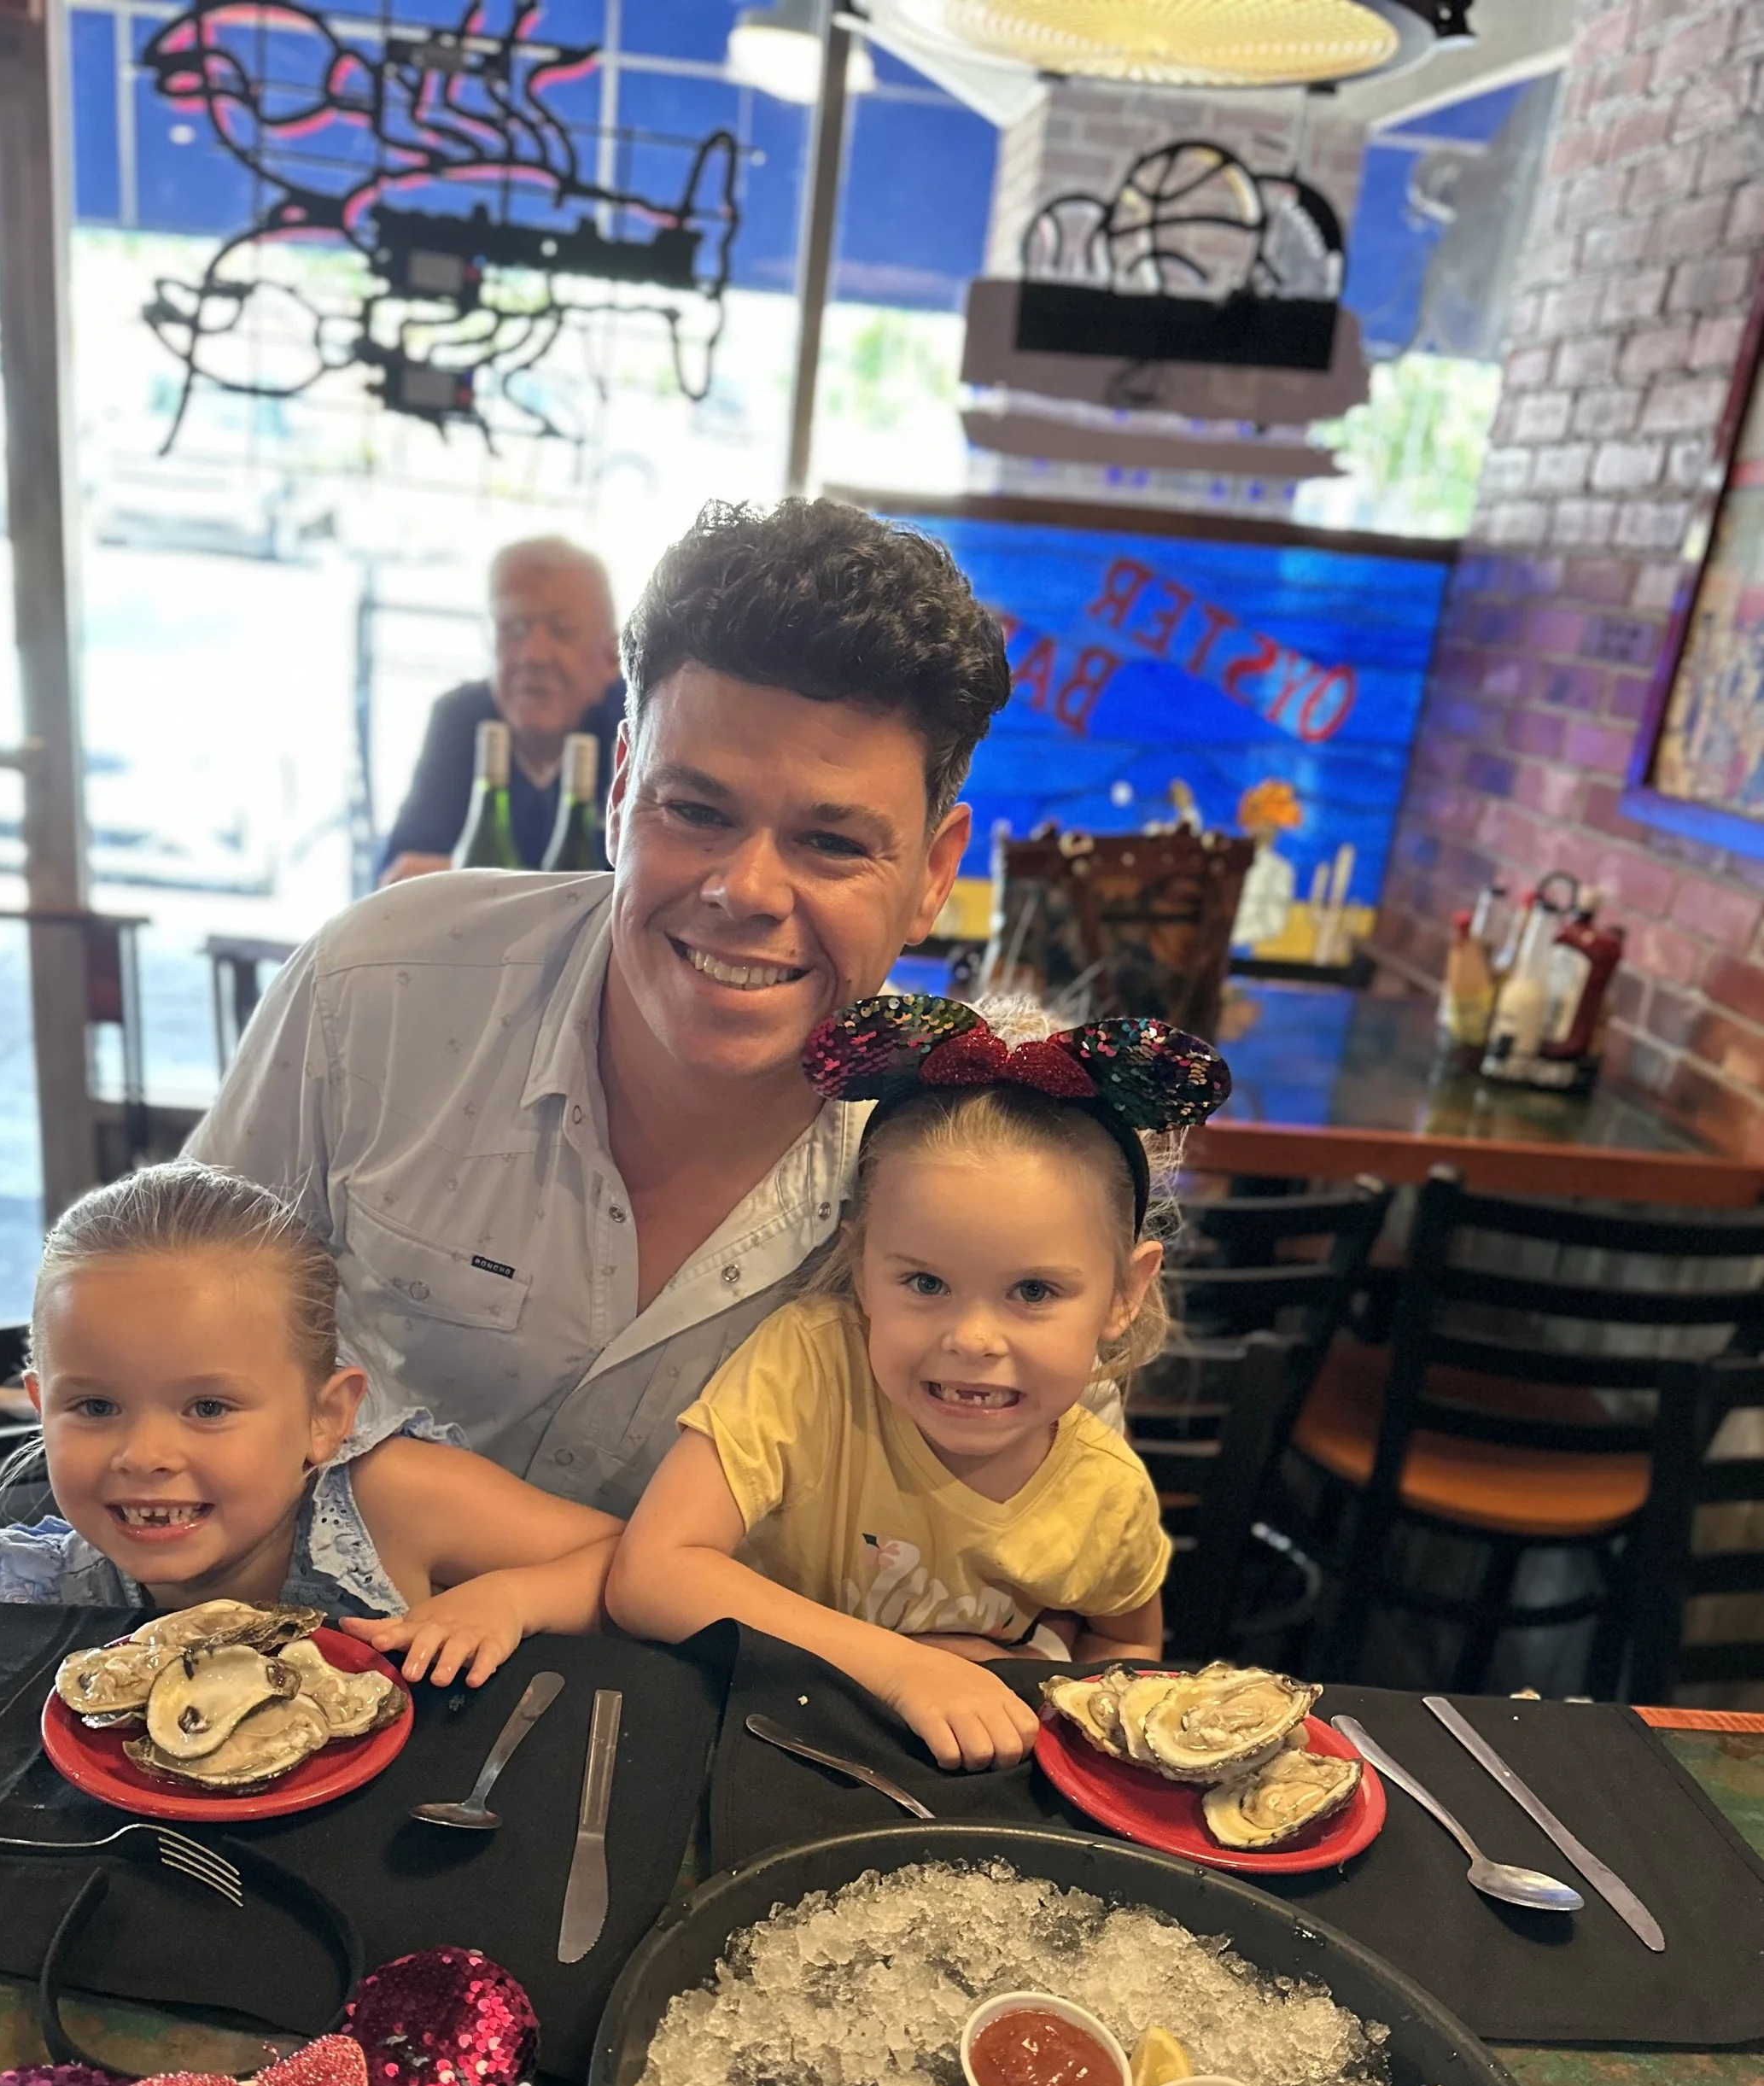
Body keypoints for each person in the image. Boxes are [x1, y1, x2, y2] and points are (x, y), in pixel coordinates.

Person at [191, 496, 1013, 1517]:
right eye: (697, 811)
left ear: (933, 875)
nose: (746, 891)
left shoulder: (995, 1155)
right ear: (621, 789)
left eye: (833, 843)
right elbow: (156, 1338)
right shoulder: (375, 989)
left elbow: (1033, 1542)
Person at [605, 995, 1232, 1769]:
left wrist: (1034, 1674)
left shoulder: (1106, 1497)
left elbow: (1127, 1643)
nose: (971, 1339)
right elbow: (651, 1573)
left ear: (1124, 1294)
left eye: (1033, 1291)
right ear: (863, 1267)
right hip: (755, 1746)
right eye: (926, 1282)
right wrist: (905, 1666)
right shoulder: (810, 1367)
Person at [0, 1163, 620, 1688]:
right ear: (43, 1407)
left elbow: (628, 1561)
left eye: (208, 1408)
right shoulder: (56, 1584)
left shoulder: (391, 1499)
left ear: (327, 1417)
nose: (144, 1456)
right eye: (95, 1407)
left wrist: (511, 1600)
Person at [380, 536, 623, 879]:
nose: (533, 655)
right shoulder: (460, 719)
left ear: (610, 657)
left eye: (561, 630)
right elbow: (400, 874)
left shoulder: (639, 727)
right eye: (513, 629)